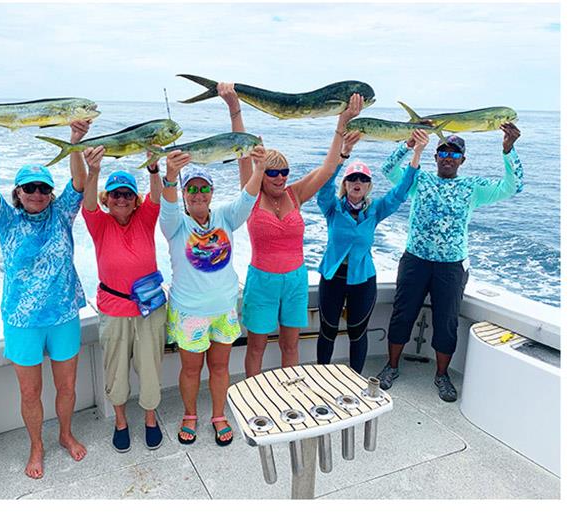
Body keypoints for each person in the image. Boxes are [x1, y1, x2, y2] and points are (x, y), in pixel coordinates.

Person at [0, 111, 89, 479]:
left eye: (42, 188)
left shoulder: (63, 213)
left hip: (64, 315)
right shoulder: (7, 221)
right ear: (18, 193)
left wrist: (76, 140)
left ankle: (66, 434)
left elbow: (80, 182)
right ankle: (37, 446)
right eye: (29, 188)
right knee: (30, 393)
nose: (37, 194)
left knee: (67, 386)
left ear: (51, 193)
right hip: (22, 321)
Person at [216, 82, 365, 377]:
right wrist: (234, 108)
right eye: (273, 172)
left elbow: (327, 169)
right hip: (262, 281)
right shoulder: (253, 196)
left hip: (296, 280)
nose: (280, 177)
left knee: (291, 346)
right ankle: (254, 397)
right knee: (256, 346)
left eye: (284, 171)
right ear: (263, 174)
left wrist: (343, 120)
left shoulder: (295, 194)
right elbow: (243, 153)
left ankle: (289, 393)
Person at [376, 123, 523, 402]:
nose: (448, 158)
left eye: (454, 155)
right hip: (415, 261)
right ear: (434, 157)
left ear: (462, 161)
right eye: (443, 152)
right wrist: (409, 144)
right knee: (402, 314)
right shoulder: (418, 180)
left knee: (446, 322)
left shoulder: (473, 188)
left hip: (451, 266)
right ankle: (391, 366)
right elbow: (388, 169)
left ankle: (442, 375)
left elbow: (512, 186)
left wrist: (508, 149)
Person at [160, 146, 266, 446]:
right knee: (191, 369)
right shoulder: (175, 224)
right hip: (189, 313)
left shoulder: (225, 216)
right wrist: (170, 175)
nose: (197, 194)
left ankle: (219, 415)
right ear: (184, 194)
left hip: (224, 310)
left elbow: (248, 197)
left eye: (203, 188)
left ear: (211, 192)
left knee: (220, 368)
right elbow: (167, 205)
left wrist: (258, 169)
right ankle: (190, 414)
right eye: (191, 189)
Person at [315, 130, 428, 373]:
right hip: (333, 277)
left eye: (363, 180)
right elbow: (323, 186)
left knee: (357, 332)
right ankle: (320, 377)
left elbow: (400, 192)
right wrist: (343, 154)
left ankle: (356, 380)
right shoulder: (332, 208)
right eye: (352, 179)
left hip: (363, 279)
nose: (357, 183)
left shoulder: (375, 210)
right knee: (328, 330)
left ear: (368, 186)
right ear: (345, 184)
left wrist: (416, 152)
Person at [81, 146, 166, 453]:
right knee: (115, 370)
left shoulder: (145, 218)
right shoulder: (99, 223)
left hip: (149, 309)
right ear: (108, 199)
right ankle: (120, 423)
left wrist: (154, 170)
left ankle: (150, 419)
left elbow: (156, 197)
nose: (121, 199)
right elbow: (88, 203)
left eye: (127, 195)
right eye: (115, 194)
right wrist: (94, 171)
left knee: (150, 368)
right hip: (113, 308)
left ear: (134, 200)